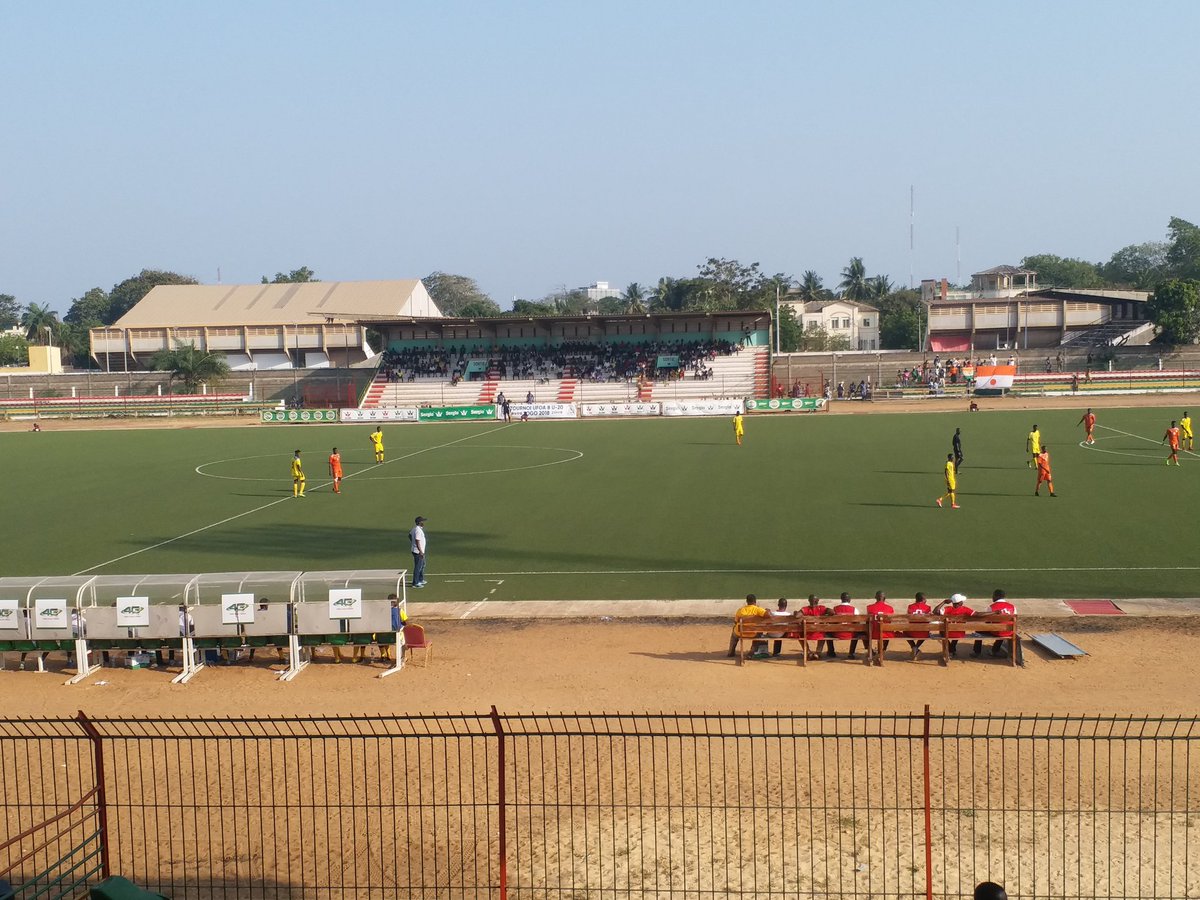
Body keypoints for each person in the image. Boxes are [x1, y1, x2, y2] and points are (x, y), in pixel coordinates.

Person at [973, 589, 1016, 658]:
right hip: (1009, 631)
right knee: (1003, 629)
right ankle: (995, 651)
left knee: (978, 631)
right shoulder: (1012, 606)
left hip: (996, 631)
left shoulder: (992, 607)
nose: (992, 597)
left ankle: (977, 652)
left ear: (997, 596)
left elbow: (987, 621)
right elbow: (1014, 619)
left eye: (993, 595)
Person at [726, 594, 770, 658]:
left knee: (734, 632)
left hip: (740, 633)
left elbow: (735, 622)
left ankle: (731, 652)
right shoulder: (758, 609)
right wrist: (767, 610)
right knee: (759, 632)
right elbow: (768, 615)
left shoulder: (740, 610)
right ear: (755, 601)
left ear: (747, 601)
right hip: (753, 633)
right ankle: (752, 651)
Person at [865, 590, 894, 663]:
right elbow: (890, 622)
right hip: (885, 634)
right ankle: (882, 651)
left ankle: (870, 650)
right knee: (888, 629)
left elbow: (867, 621)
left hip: (872, 633)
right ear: (885, 598)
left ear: (875, 597)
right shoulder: (890, 608)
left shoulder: (869, 607)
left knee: (864, 631)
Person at [800, 594, 832, 660]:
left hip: (807, 634)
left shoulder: (805, 609)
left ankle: (808, 652)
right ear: (818, 600)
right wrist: (827, 610)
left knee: (800, 635)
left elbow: (797, 616)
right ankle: (818, 652)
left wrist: (796, 612)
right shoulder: (822, 608)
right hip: (820, 634)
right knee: (824, 633)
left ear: (809, 601)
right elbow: (832, 612)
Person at [379, 593, 409, 662]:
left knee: (380, 638)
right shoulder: (400, 610)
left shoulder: (383, 611)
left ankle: (383, 655)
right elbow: (406, 621)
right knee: (403, 643)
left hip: (385, 636)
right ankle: (402, 657)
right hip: (397, 635)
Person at [831, 592, 860, 659]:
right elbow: (858, 623)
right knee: (857, 630)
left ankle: (831, 651)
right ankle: (851, 653)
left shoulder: (835, 609)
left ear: (841, 599)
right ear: (849, 599)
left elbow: (832, 622)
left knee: (827, 631)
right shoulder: (854, 609)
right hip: (851, 634)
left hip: (837, 634)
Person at [906, 592, 932, 659]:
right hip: (923, 632)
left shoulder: (910, 606)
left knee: (905, 632)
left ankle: (913, 646)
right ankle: (916, 647)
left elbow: (909, 619)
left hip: (912, 632)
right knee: (926, 631)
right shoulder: (928, 607)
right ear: (923, 599)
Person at [410, 516, 428, 588]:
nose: (423, 522)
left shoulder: (415, 529)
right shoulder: (417, 530)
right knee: (418, 567)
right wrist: (420, 551)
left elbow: (409, 535)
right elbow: (417, 540)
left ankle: (420, 580)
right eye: (422, 521)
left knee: (422, 565)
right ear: (419, 522)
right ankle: (415, 583)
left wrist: (412, 542)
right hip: (418, 552)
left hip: (418, 551)